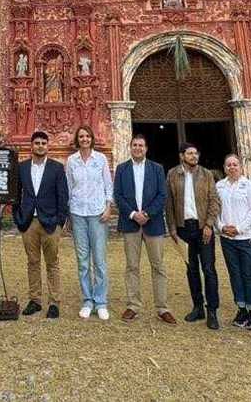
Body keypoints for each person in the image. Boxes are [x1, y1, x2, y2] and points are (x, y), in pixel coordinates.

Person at [112, 135, 174, 324]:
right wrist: (133, 214)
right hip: (130, 223)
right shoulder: (122, 169)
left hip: (153, 223)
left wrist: (147, 213)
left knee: (158, 266)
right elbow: (118, 195)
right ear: (130, 147)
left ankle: (162, 308)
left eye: (141, 145)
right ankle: (133, 305)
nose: (138, 148)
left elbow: (162, 195)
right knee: (132, 266)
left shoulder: (157, 168)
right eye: (134, 145)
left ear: (146, 148)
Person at [166, 143, 221, 330]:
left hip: (203, 227)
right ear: (182, 156)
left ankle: (212, 310)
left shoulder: (206, 174)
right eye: (189, 153)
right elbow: (169, 203)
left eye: (195, 153)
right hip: (183, 228)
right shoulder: (173, 174)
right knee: (191, 269)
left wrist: (209, 224)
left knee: (209, 268)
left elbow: (214, 200)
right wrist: (172, 228)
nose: (194, 156)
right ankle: (198, 307)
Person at [14, 130, 68, 318]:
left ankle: (54, 302)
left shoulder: (57, 168)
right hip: (29, 222)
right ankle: (35, 300)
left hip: (51, 222)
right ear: (31, 146)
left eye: (43, 143)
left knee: (52, 263)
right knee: (33, 262)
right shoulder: (22, 167)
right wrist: (18, 218)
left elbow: (63, 196)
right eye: (37, 143)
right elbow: (16, 194)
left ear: (47, 146)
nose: (40, 146)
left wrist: (60, 221)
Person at [64, 125, 114, 321]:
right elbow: (69, 187)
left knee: (99, 260)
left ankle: (100, 301)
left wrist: (108, 207)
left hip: (97, 213)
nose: (84, 139)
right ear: (77, 140)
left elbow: (108, 185)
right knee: (83, 261)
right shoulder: (71, 161)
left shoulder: (100, 159)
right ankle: (87, 300)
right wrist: (68, 213)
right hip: (78, 213)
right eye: (81, 136)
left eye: (87, 136)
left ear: (92, 139)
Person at [215, 154, 251, 331]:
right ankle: (241, 308)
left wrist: (239, 228)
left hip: (247, 237)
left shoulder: (249, 185)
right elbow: (215, 209)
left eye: (235, 164)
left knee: (249, 274)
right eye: (228, 165)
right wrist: (221, 227)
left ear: (241, 167)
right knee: (234, 274)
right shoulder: (219, 186)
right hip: (227, 238)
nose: (232, 167)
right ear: (224, 168)